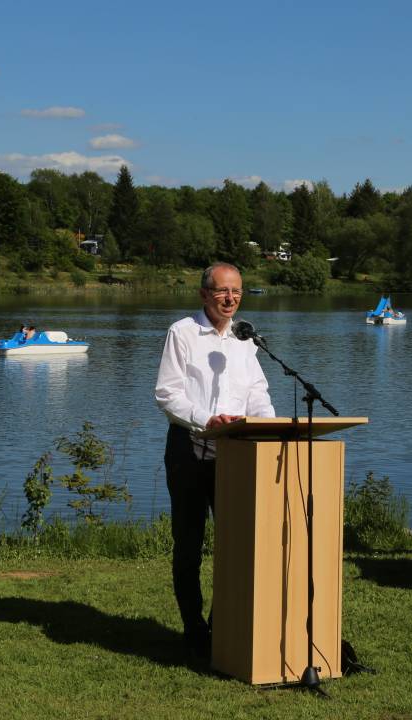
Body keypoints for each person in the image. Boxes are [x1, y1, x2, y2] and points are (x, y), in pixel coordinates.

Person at [154, 261, 276, 660]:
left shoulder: (246, 337)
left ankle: (224, 623)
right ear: (205, 294)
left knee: (236, 543)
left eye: (237, 291)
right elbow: (168, 394)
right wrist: (206, 418)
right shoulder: (183, 333)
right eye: (223, 291)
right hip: (191, 445)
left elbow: (257, 392)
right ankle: (194, 628)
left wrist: (272, 429)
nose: (231, 299)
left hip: (237, 449)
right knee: (189, 543)